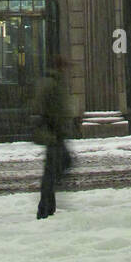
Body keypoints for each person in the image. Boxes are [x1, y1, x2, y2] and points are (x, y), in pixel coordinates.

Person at [33, 55, 73, 220]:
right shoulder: (51, 84)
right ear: (59, 67)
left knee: (53, 169)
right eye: (64, 66)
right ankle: (45, 208)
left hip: (56, 133)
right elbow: (45, 108)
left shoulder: (55, 82)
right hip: (54, 133)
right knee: (57, 167)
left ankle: (47, 206)